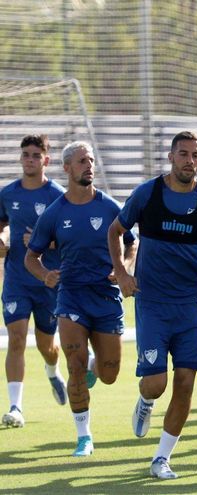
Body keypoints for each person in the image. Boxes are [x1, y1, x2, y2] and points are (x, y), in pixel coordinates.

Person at [108, 131, 197, 479]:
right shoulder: (148, 193)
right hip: (153, 303)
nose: (190, 161)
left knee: (187, 382)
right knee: (155, 384)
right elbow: (116, 231)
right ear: (171, 157)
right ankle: (145, 403)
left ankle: (161, 458)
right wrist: (122, 272)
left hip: (190, 303)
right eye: (184, 154)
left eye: (196, 155)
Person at [24, 141, 136, 456]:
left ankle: (93, 363)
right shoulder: (54, 213)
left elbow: (132, 244)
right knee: (74, 368)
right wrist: (44, 275)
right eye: (82, 161)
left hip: (106, 296)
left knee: (110, 373)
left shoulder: (111, 207)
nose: (89, 166)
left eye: (90, 160)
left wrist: (124, 268)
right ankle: (84, 437)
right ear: (67, 168)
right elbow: (31, 258)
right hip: (71, 298)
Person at [0, 134, 66, 428]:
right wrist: (1, 240)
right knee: (15, 339)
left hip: (47, 280)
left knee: (46, 345)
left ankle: (53, 371)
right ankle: (16, 407)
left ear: (46, 160)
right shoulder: (8, 194)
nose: (30, 159)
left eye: (36, 155)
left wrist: (47, 243)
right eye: (26, 154)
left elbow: (72, 237)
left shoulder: (58, 196)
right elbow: (1, 226)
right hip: (16, 278)